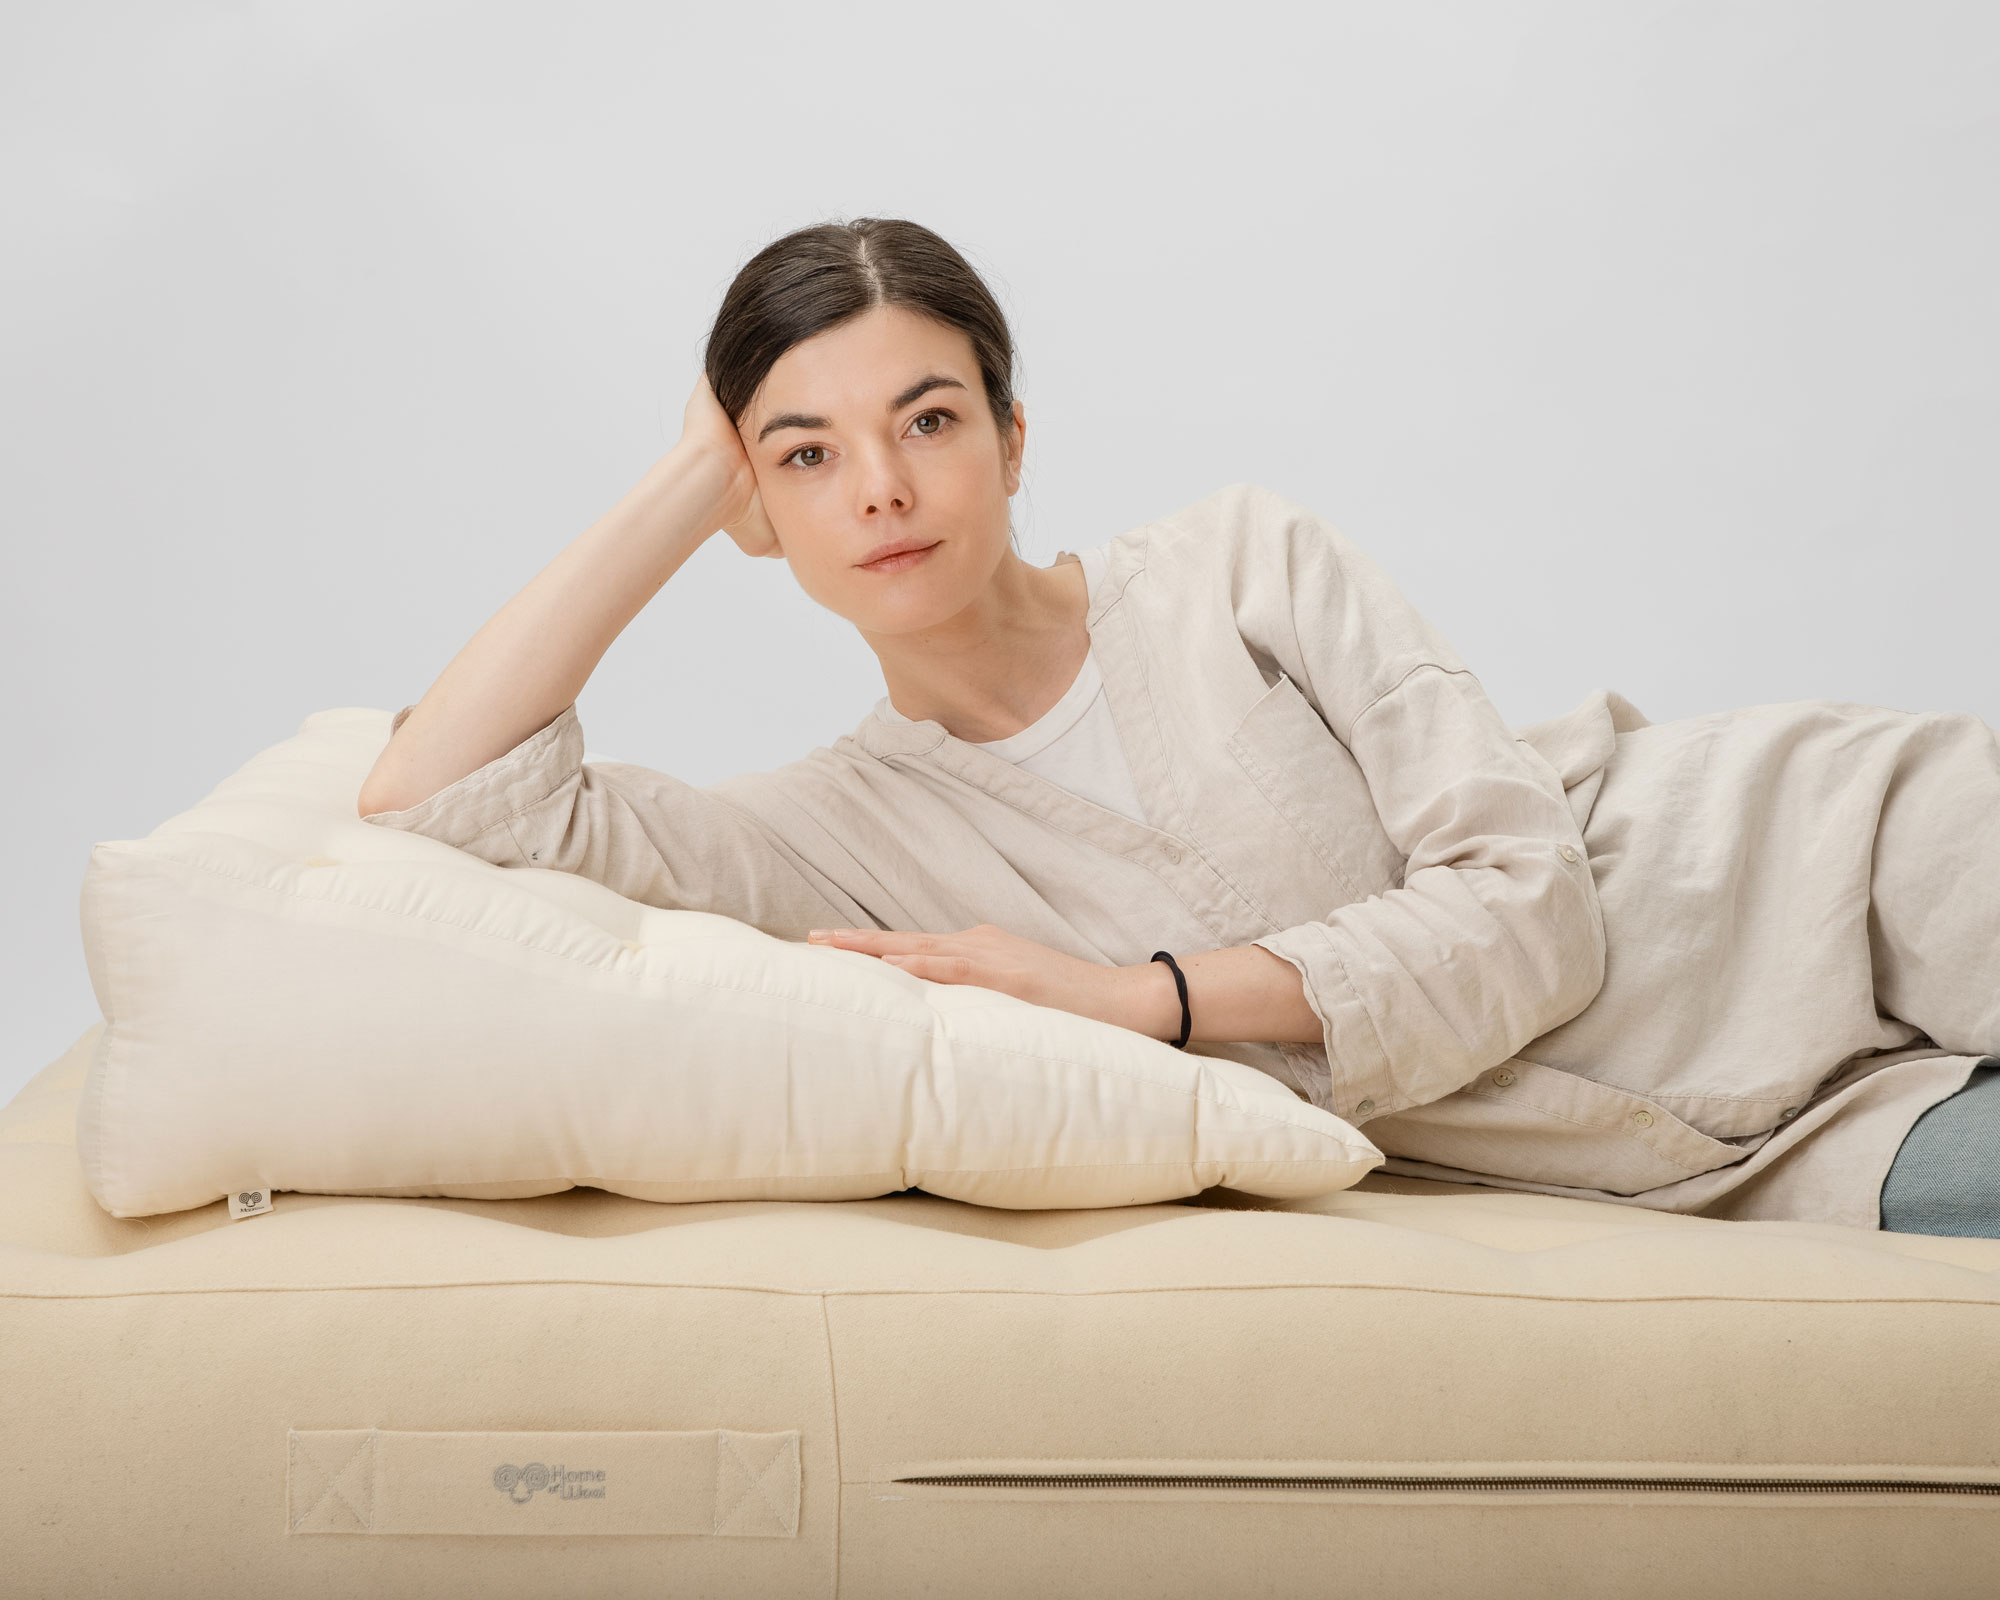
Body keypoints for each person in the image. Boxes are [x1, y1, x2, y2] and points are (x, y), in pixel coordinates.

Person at [357, 217, 2000, 1237]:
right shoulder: (821, 841)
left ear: (1010, 441)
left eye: (928, 420)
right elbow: (435, 805)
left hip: (1809, 863)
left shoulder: (1240, 561)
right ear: (754, 512)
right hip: (1743, 1148)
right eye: (803, 456)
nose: (880, 486)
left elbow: (1529, 907)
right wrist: (676, 486)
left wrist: (1134, 1001)